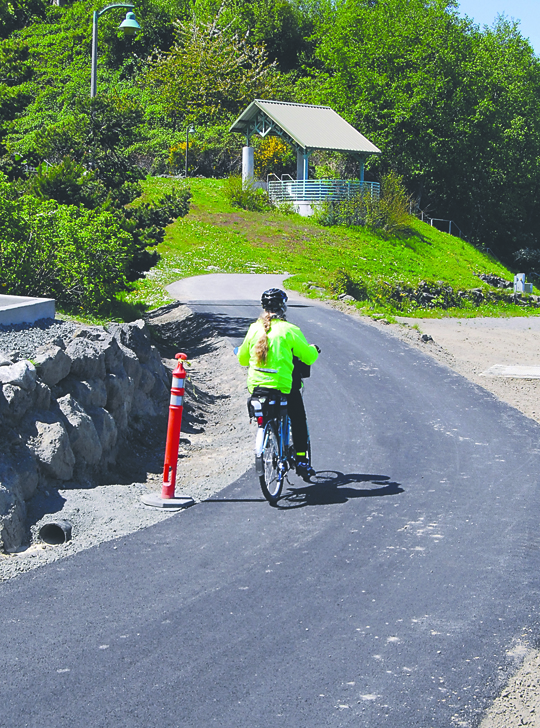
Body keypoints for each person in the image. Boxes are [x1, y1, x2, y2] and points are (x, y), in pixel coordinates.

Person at [237, 288, 319, 480]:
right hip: (282, 387)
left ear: (263, 307)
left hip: (257, 388)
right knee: (297, 417)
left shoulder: (254, 328)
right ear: (283, 307)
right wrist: (314, 349)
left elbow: (242, 359)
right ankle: (301, 460)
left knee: (266, 417)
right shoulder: (290, 330)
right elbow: (307, 356)